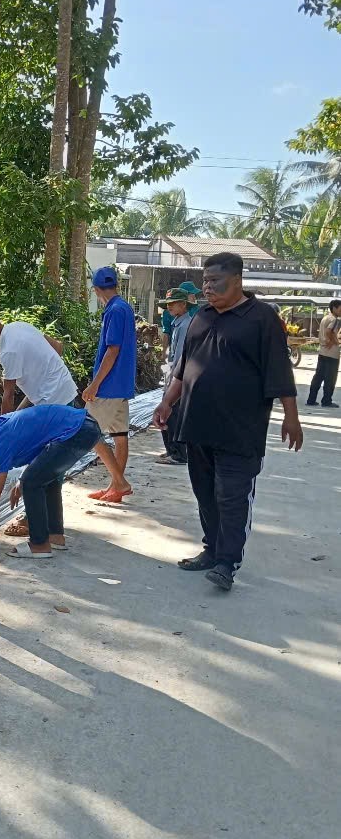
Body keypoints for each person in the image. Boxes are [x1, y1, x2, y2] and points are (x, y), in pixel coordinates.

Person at [153, 251, 303, 592]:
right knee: (205, 493)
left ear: (237, 281)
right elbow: (183, 368)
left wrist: (291, 418)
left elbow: (280, 371)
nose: (208, 288)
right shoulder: (200, 317)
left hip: (240, 430)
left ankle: (227, 562)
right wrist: (165, 404)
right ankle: (212, 549)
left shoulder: (262, 319)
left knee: (232, 496)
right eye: (205, 281)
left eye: (215, 281)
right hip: (197, 425)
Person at [0, 405, 102, 558]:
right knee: (48, 479)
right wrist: (22, 478)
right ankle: (55, 536)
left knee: (32, 483)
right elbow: (38, 444)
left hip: (78, 431)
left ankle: (39, 544)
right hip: (86, 425)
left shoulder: (1, 444)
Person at [82, 267, 137, 503]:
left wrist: (94, 384)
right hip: (122, 384)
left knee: (86, 432)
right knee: (119, 435)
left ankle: (120, 482)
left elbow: (112, 350)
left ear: (95, 289)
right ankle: (115, 487)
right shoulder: (124, 308)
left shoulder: (113, 310)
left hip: (109, 386)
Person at [0, 305, 77, 413]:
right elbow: (58, 348)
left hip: (54, 401)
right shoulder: (20, 325)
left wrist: (2, 427)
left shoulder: (9, 350)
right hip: (66, 387)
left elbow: (9, 395)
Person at [155, 287, 194, 466]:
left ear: (183, 305)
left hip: (178, 377)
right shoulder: (178, 322)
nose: (169, 307)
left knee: (174, 414)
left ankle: (179, 453)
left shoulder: (186, 325)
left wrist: (173, 382)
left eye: (173, 303)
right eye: (168, 304)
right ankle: (171, 449)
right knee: (168, 413)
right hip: (173, 374)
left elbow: (180, 357)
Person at [306, 299, 341, 408]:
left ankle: (311, 399)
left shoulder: (325, 318)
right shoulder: (335, 319)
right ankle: (326, 401)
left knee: (318, 377)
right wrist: (335, 341)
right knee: (330, 379)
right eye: (340, 308)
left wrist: (329, 340)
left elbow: (325, 332)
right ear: (334, 308)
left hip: (322, 352)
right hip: (332, 353)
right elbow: (328, 332)